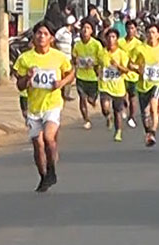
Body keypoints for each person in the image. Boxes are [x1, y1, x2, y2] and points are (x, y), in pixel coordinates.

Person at [13, 22, 74, 192]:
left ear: (51, 38)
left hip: (52, 104)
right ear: (34, 36)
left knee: (48, 138)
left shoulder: (59, 57)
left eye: (45, 34)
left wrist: (61, 83)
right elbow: (20, 85)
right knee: (37, 144)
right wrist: (28, 77)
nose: (41, 36)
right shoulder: (25, 58)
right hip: (34, 106)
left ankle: (52, 170)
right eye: (38, 33)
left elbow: (70, 73)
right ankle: (43, 176)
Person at [129, 22, 159, 147]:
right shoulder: (139, 49)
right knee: (145, 114)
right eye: (148, 32)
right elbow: (130, 64)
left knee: (154, 103)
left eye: (153, 32)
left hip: (157, 83)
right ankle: (149, 133)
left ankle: (153, 130)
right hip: (143, 85)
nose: (151, 35)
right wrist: (138, 69)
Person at [71, 21, 106, 130]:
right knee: (82, 98)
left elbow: (102, 60)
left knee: (91, 99)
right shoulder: (77, 45)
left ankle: (93, 101)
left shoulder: (96, 44)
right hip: (81, 77)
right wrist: (76, 62)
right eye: (84, 28)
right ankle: (86, 120)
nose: (85, 30)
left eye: (88, 28)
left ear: (92, 31)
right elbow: (73, 58)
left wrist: (94, 63)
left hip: (93, 77)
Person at [99, 28, 130, 142]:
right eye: (109, 37)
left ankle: (118, 132)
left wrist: (118, 66)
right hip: (105, 84)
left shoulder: (122, 54)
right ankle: (108, 116)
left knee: (117, 111)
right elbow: (97, 64)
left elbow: (126, 70)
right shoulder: (102, 52)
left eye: (113, 37)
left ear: (117, 39)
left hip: (118, 87)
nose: (111, 40)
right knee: (105, 106)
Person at [121, 20, 142, 127]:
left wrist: (137, 67)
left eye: (132, 28)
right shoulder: (120, 42)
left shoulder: (139, 44)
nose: (130, 31)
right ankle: (124, 107)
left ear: (136, 29)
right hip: (122, 74)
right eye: (128, 28)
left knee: (132, 97)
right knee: (122, 95)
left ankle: (132, 116)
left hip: (134, 75)